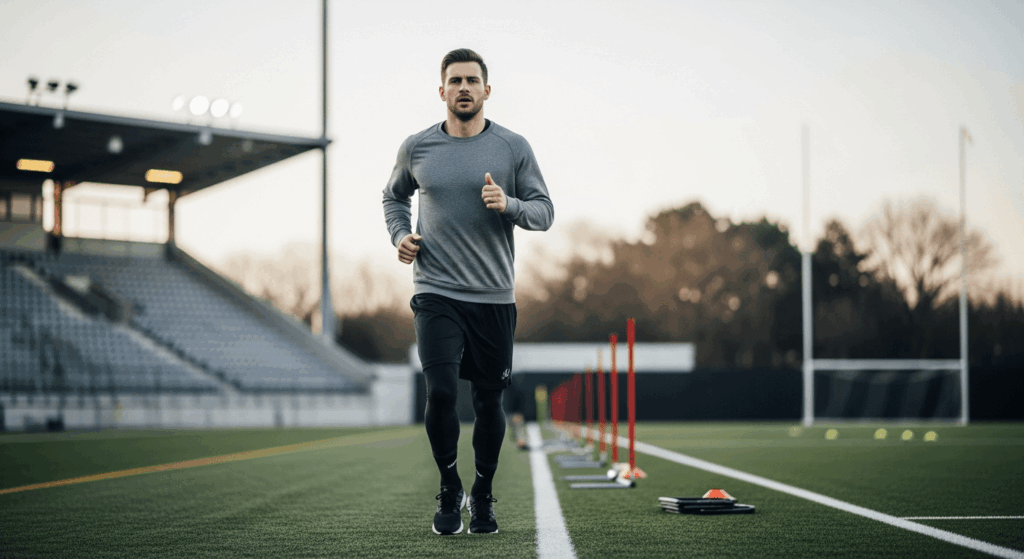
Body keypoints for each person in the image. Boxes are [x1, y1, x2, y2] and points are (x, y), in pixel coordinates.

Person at [382, 48, 554, 535]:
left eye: (471, 80)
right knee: (439, 392)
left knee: (487, 402)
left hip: (494, 297)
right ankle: (449, 485)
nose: (463, 87)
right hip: (435, 292)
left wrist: (510, 204)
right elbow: (394, 196)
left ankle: (481, 493)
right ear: (441, 91)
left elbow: (544, 211)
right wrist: (400, 236)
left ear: (486, 90)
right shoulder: (417, 148)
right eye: (454, 80)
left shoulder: (512, 147)